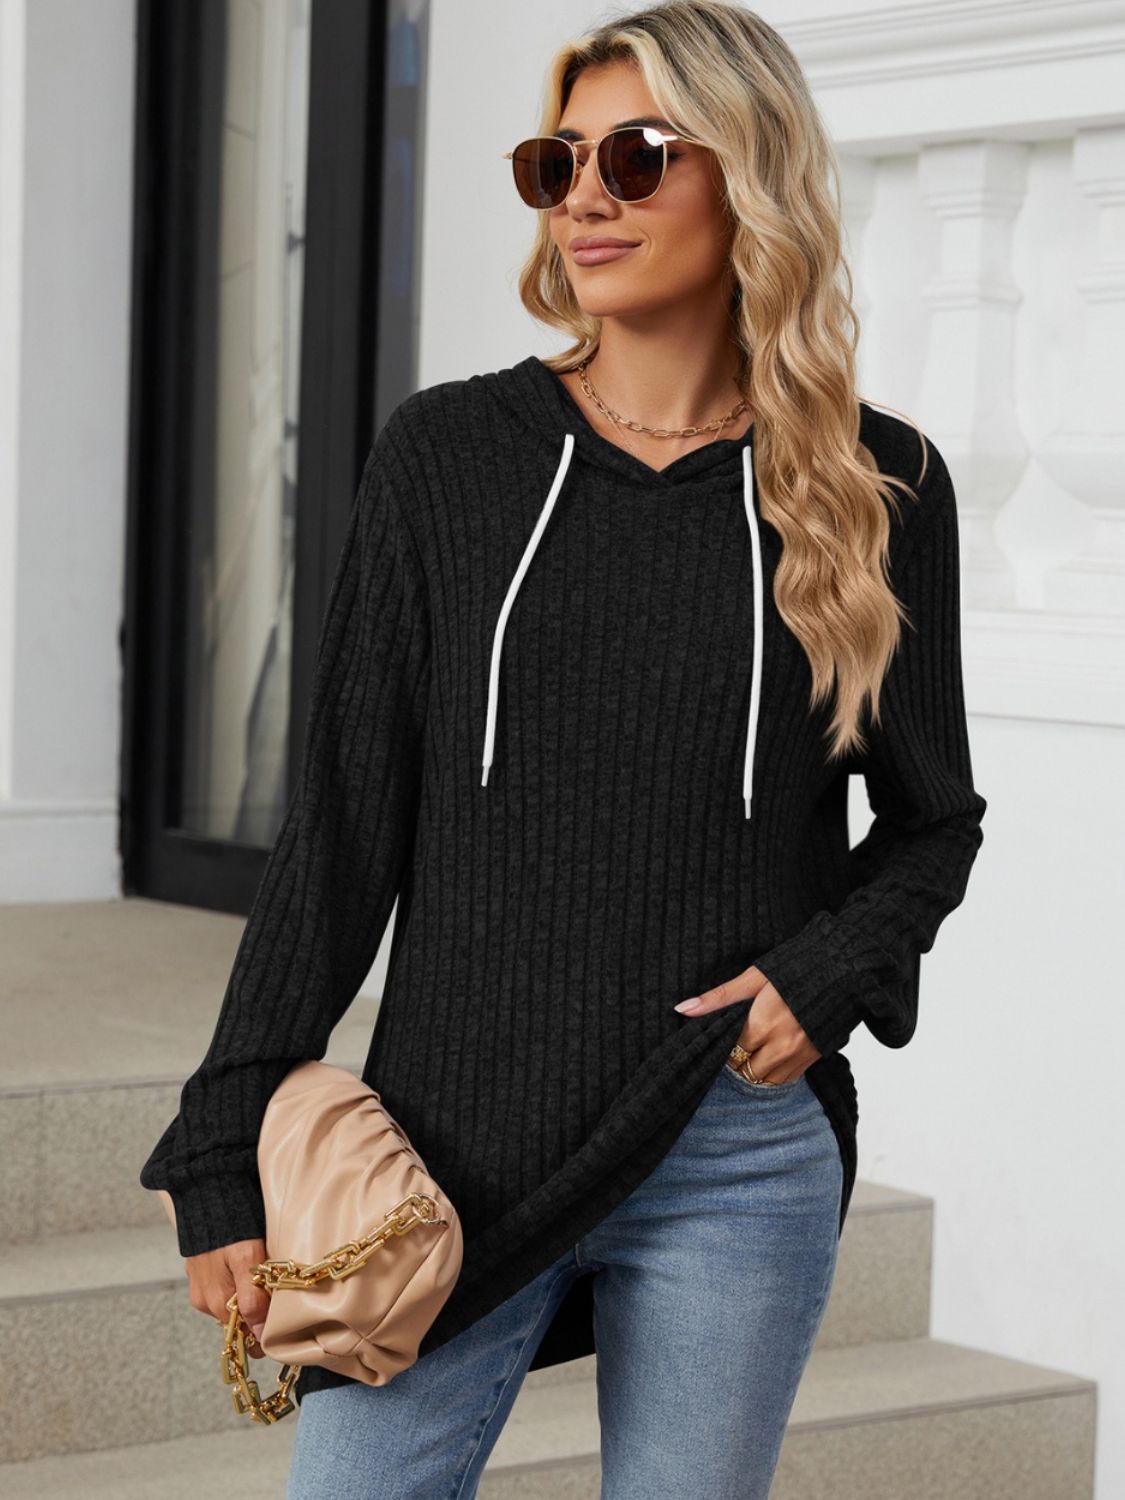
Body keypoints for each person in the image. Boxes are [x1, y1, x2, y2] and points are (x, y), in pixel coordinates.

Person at [139, 3, 988, 1496]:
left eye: (636, 157)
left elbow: (934, 822)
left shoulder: (878, 485)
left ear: (749, 175)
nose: (585, 196)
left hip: (730, 1149)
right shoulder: (446, 460)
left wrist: (830, 972)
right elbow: (340, 830)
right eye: (558, 161)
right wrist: (226, 1129)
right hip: (446, 1154)